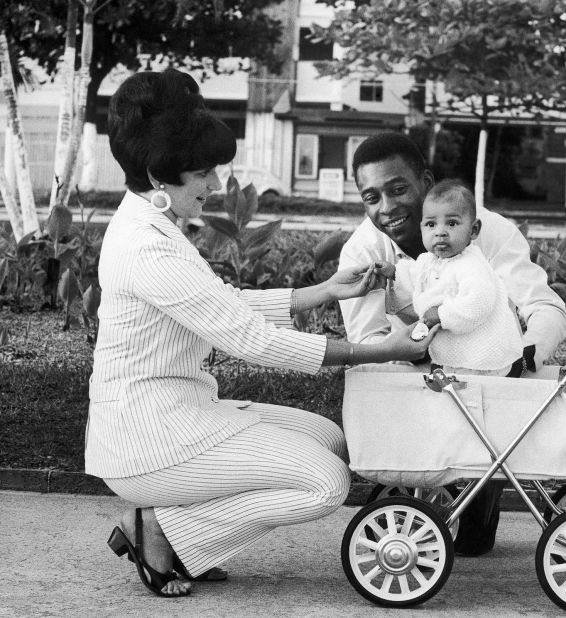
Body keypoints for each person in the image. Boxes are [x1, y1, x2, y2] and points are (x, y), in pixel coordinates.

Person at [87, 69, 437, 598]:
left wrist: (318, 292)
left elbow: (215, 306)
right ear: (162, 175)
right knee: (326, 483)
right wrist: (374, 350)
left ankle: (176, 527)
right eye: (203, 173)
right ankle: (163, 530)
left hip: (182, 412)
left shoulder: (150, 225)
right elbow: (249, 341)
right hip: (150, 442)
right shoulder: (147, 247)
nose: (214, 185)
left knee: (331, 439)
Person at [338, 132, 566, 556]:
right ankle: (411, 490)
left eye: (398, 189)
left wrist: (527, 357)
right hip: (413, 377)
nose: (386, 208)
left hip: (489, 379)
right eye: (371, 197)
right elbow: (368, 341)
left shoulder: (488, 230)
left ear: (425, 180)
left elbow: (544, 306)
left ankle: (479, 489)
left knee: (474, 544)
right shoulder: (362, 251)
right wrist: (416, 353)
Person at [378, 179, 525, 376]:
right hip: (458, 350)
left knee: (475, 389)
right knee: (450, 378)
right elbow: (414, 275)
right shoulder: (428, 260)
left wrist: (442, 315)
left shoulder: (472, 265)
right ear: (421, 227)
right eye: (431, 224)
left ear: (473, 230)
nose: (440, 232)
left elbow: (479, 302)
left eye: (452, 223)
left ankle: (510, 371)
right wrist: (394, 272)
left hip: (483, 354)